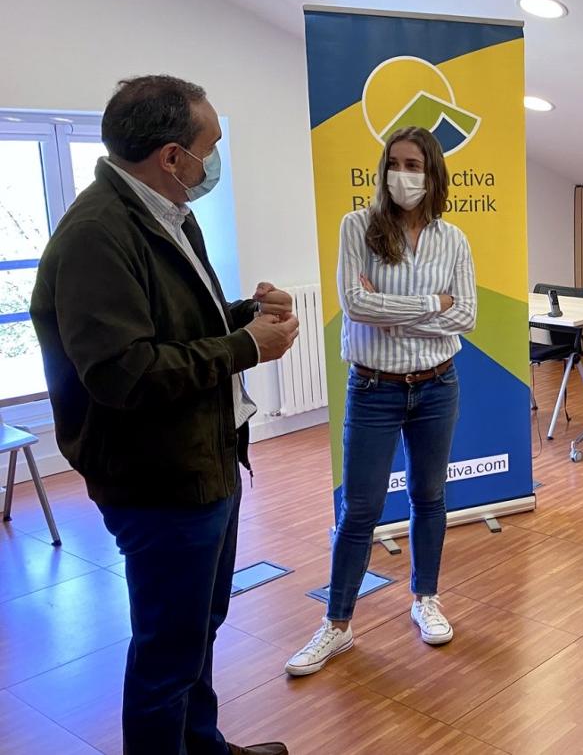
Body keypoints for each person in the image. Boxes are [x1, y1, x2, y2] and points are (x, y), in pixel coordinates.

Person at [30, 76, 297, 755]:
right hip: (158, 479)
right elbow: (124, 372)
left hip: (205, 460)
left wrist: (245, 315)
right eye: (211, 145)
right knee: (165, 652)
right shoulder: (98, 235)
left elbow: (174, 329)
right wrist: (245, 346)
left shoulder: (166, 214)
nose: (216, 159)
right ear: (173, 156)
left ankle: (201, 745)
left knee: (197, 627)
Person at [285, 126, 476, 675]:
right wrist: (429, 305)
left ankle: (426, 599)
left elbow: (466, 315)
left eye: (414, 164)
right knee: (361, 510)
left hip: (438, 385)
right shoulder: (357, 228)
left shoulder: (453, 238)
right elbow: (356, 305)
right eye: (394, 163)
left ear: (432, 172)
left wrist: (397, 307)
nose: (403, 175)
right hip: (374, 388)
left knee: (429, 497)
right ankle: (336, 625)